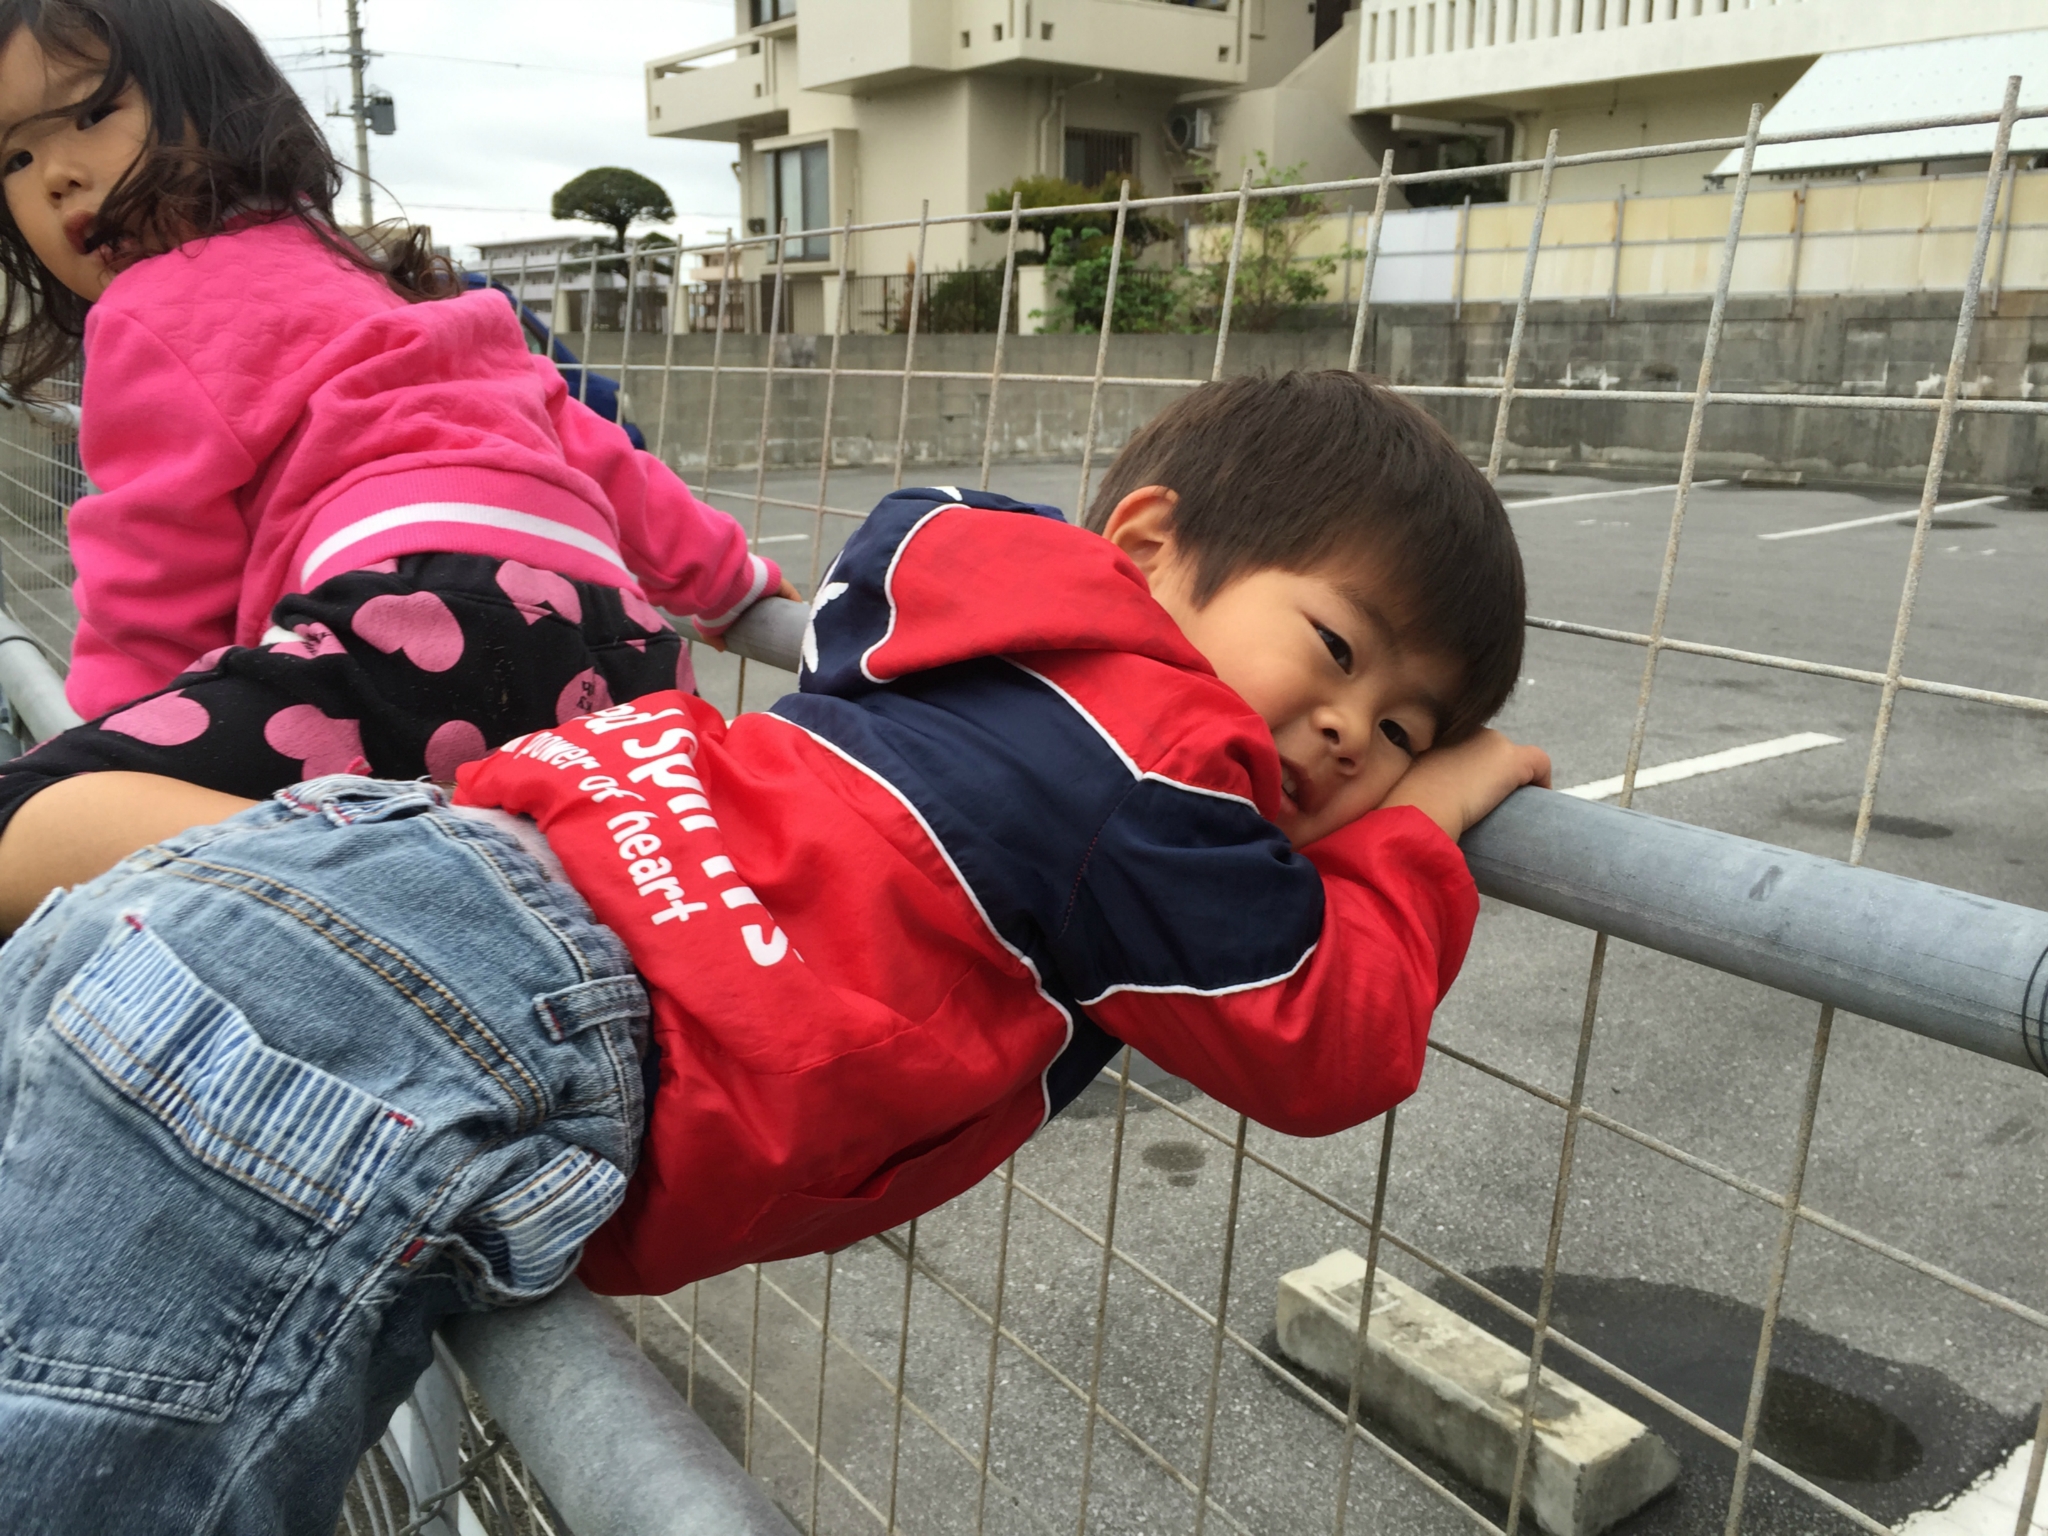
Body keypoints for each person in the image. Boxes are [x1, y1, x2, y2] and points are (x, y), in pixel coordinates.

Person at [0, 371, 1550, 1534]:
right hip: (479, 1016)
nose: (1353, 734)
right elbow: (1330, 1040)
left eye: (1406, 730)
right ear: (1145, 550)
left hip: (366, 858)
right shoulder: (1145, 782)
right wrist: (1428, 820)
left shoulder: (938, 614)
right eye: (1339, 653)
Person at [0, 0, 790, 860]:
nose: (56, 175)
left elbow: (152, 579)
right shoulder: (407, 294)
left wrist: (119, 747)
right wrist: (734, 587)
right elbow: (601, 458)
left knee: (33, 808)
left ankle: (434, 856)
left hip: (403, 631)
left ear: (216, 102)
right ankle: (500, 849)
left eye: (90, 113)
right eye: (15, 155)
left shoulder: (148, 311)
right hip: (622, 655)